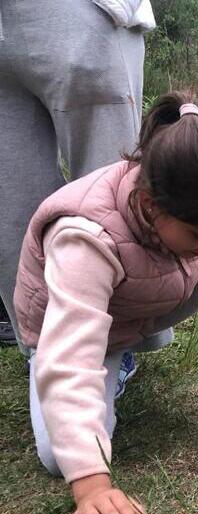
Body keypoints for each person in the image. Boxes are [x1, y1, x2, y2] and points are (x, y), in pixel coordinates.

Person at [15, 91, 198, 514]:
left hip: (134, 307)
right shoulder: (85, 239)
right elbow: (70, 360)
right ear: (150, 206)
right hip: (69, 334)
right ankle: (112, 367)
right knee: (60, 457)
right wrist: (92, 484)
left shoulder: (181, 215)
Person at [0, 0, 153, 346]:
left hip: (80, 13)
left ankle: (109, 346)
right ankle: (49, 348)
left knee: (112, 196)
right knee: (12, 206)